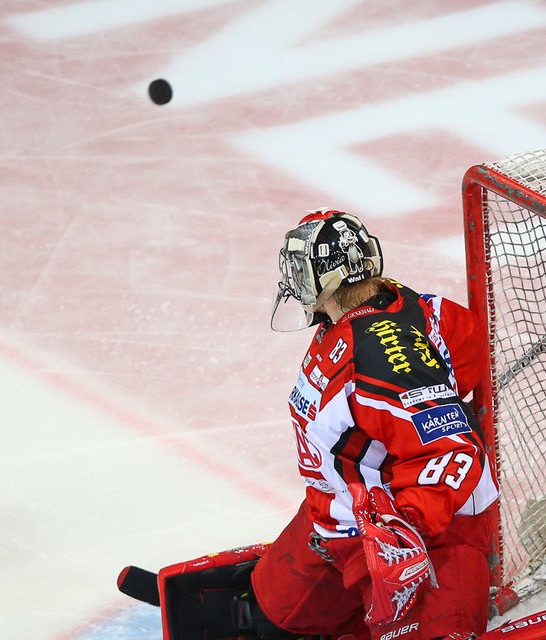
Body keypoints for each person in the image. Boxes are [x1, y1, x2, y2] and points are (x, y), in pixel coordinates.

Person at [146, 209, 500, 640]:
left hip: (421, 537)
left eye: (299, 269)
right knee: (268, 619)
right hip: (340, 516)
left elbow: (453, 450)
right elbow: (467, 351)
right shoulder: (388, 305)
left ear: (326, 278)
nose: (293, 281)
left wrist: (402, 531)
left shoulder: (382, 356)